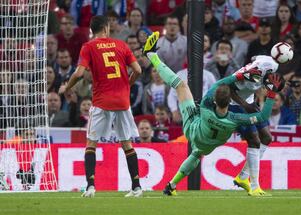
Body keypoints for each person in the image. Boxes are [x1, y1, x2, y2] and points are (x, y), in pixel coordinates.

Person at [142, 32, 283, 196]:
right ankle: (171, 185)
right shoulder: (234, 119)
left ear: (214, 100)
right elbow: (263, 116)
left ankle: (152, 56)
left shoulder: (206, 105)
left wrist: (238, 75)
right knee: (196, 154)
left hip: (192, 127)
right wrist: (272, 94)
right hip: (206, 146)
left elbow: (219, 83)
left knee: (180, 86)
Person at [64, 15, 142, 198]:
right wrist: (127, 85)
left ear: (92, 30)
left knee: (91, 143)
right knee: (127, 144)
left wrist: (67, 87)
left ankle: (90, 186)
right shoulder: (121, 45)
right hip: (122, 102)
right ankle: (137, 187)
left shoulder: (89, 46)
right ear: (107, 28)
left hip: (101, 102)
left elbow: (79, 72)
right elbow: (138, 70)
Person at [228, 54, 279, 197]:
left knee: (267, 138)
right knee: (254, 141)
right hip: (234, 106)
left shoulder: (269, 65)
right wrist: (244, 104)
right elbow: (228, 88)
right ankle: (255, 187)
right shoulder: (243, 75)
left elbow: (257, 57)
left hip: (249, 103)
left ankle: (243, 177)